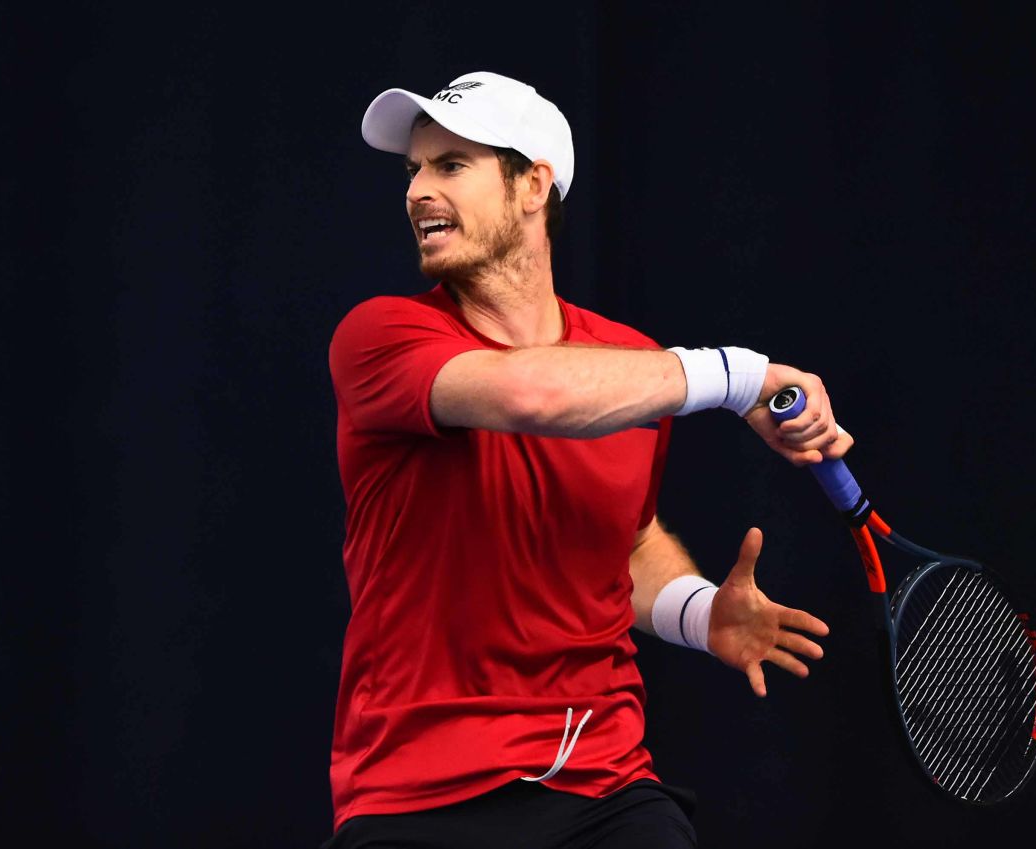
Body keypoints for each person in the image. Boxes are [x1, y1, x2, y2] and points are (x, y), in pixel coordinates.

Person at [323, 70, 851, 849]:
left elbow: (625, 539)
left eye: (450, 165)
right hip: (416, 795)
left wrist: (699, 612)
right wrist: (738, 377)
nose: (418, 192)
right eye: (414, 171)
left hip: (603, 784)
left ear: (533, 185)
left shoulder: (632, 368)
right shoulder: (380, 337)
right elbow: (530, 395)